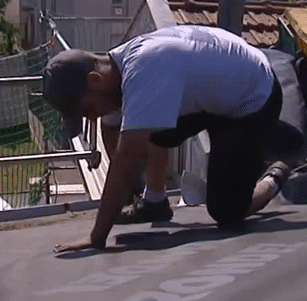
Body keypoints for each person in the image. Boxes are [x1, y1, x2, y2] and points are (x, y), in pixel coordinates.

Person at [42, 25, 290, 253]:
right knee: (147, 124)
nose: (92, 118)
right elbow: (112, 131)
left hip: (254, 100)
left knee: (227, 213)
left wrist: (97, 236)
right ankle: (155, 201)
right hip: (220, 92)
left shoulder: (144, 69)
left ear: (95, 80)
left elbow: (127, 158)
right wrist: (124, 194)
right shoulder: (114, 69)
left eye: (88, 111)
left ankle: (273, 176)